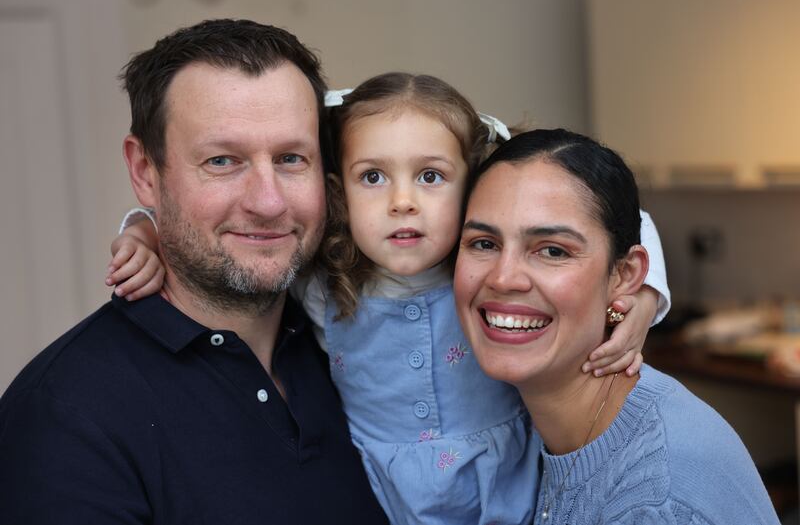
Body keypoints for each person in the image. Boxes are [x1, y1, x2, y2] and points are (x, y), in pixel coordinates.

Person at [109, 73, 672, 524]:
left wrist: (643, 297)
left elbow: (624, 220)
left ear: (471, 186)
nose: (403, 202)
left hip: (510, 489)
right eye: (373, 178)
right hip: (380, 496)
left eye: (430, 177)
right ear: (338, 194)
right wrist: (144, 229)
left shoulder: (484, 272)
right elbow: (224, 235)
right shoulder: (323, 280)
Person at [0, 19, 389, 524]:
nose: (268, 202)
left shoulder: (359, 340)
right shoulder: (64, 416)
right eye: (223, 161)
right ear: (145, 171)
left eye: (292, 158)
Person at [454, 128, 780, 524]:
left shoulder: (654, 502)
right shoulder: (536, 427)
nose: (504, 278)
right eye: (484, 243)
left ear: (625, 275)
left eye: (553, 250)